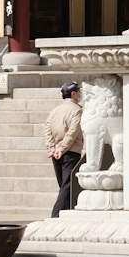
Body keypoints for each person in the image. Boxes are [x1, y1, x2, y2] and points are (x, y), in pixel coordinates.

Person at [44, 80, 83, 218]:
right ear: (73, 94)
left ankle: (65, 214)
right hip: (70, 152)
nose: (80, 93)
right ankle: (55, 215)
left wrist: (52, 148)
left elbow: (47, 129)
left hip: (55, 153)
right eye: (78, 91)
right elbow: (73, 132)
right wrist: (61, 148)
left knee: (64, 187)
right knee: (67, 186)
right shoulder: (77, 110)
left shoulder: (54, 111)